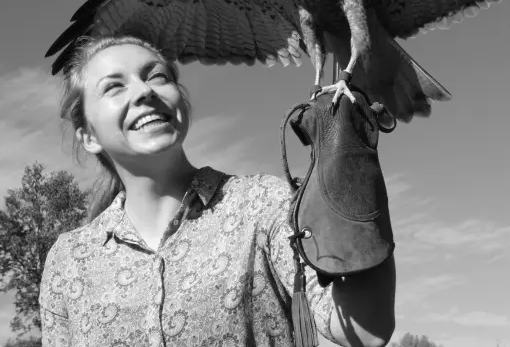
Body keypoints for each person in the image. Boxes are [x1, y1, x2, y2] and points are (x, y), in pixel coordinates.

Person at [38, 35, 396, 347]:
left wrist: (354, 163)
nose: (145, 91)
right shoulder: (69, 260)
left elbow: (366, 330)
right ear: (88, 136)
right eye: (114, 87)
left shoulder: (262, 205)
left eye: (157, 76)